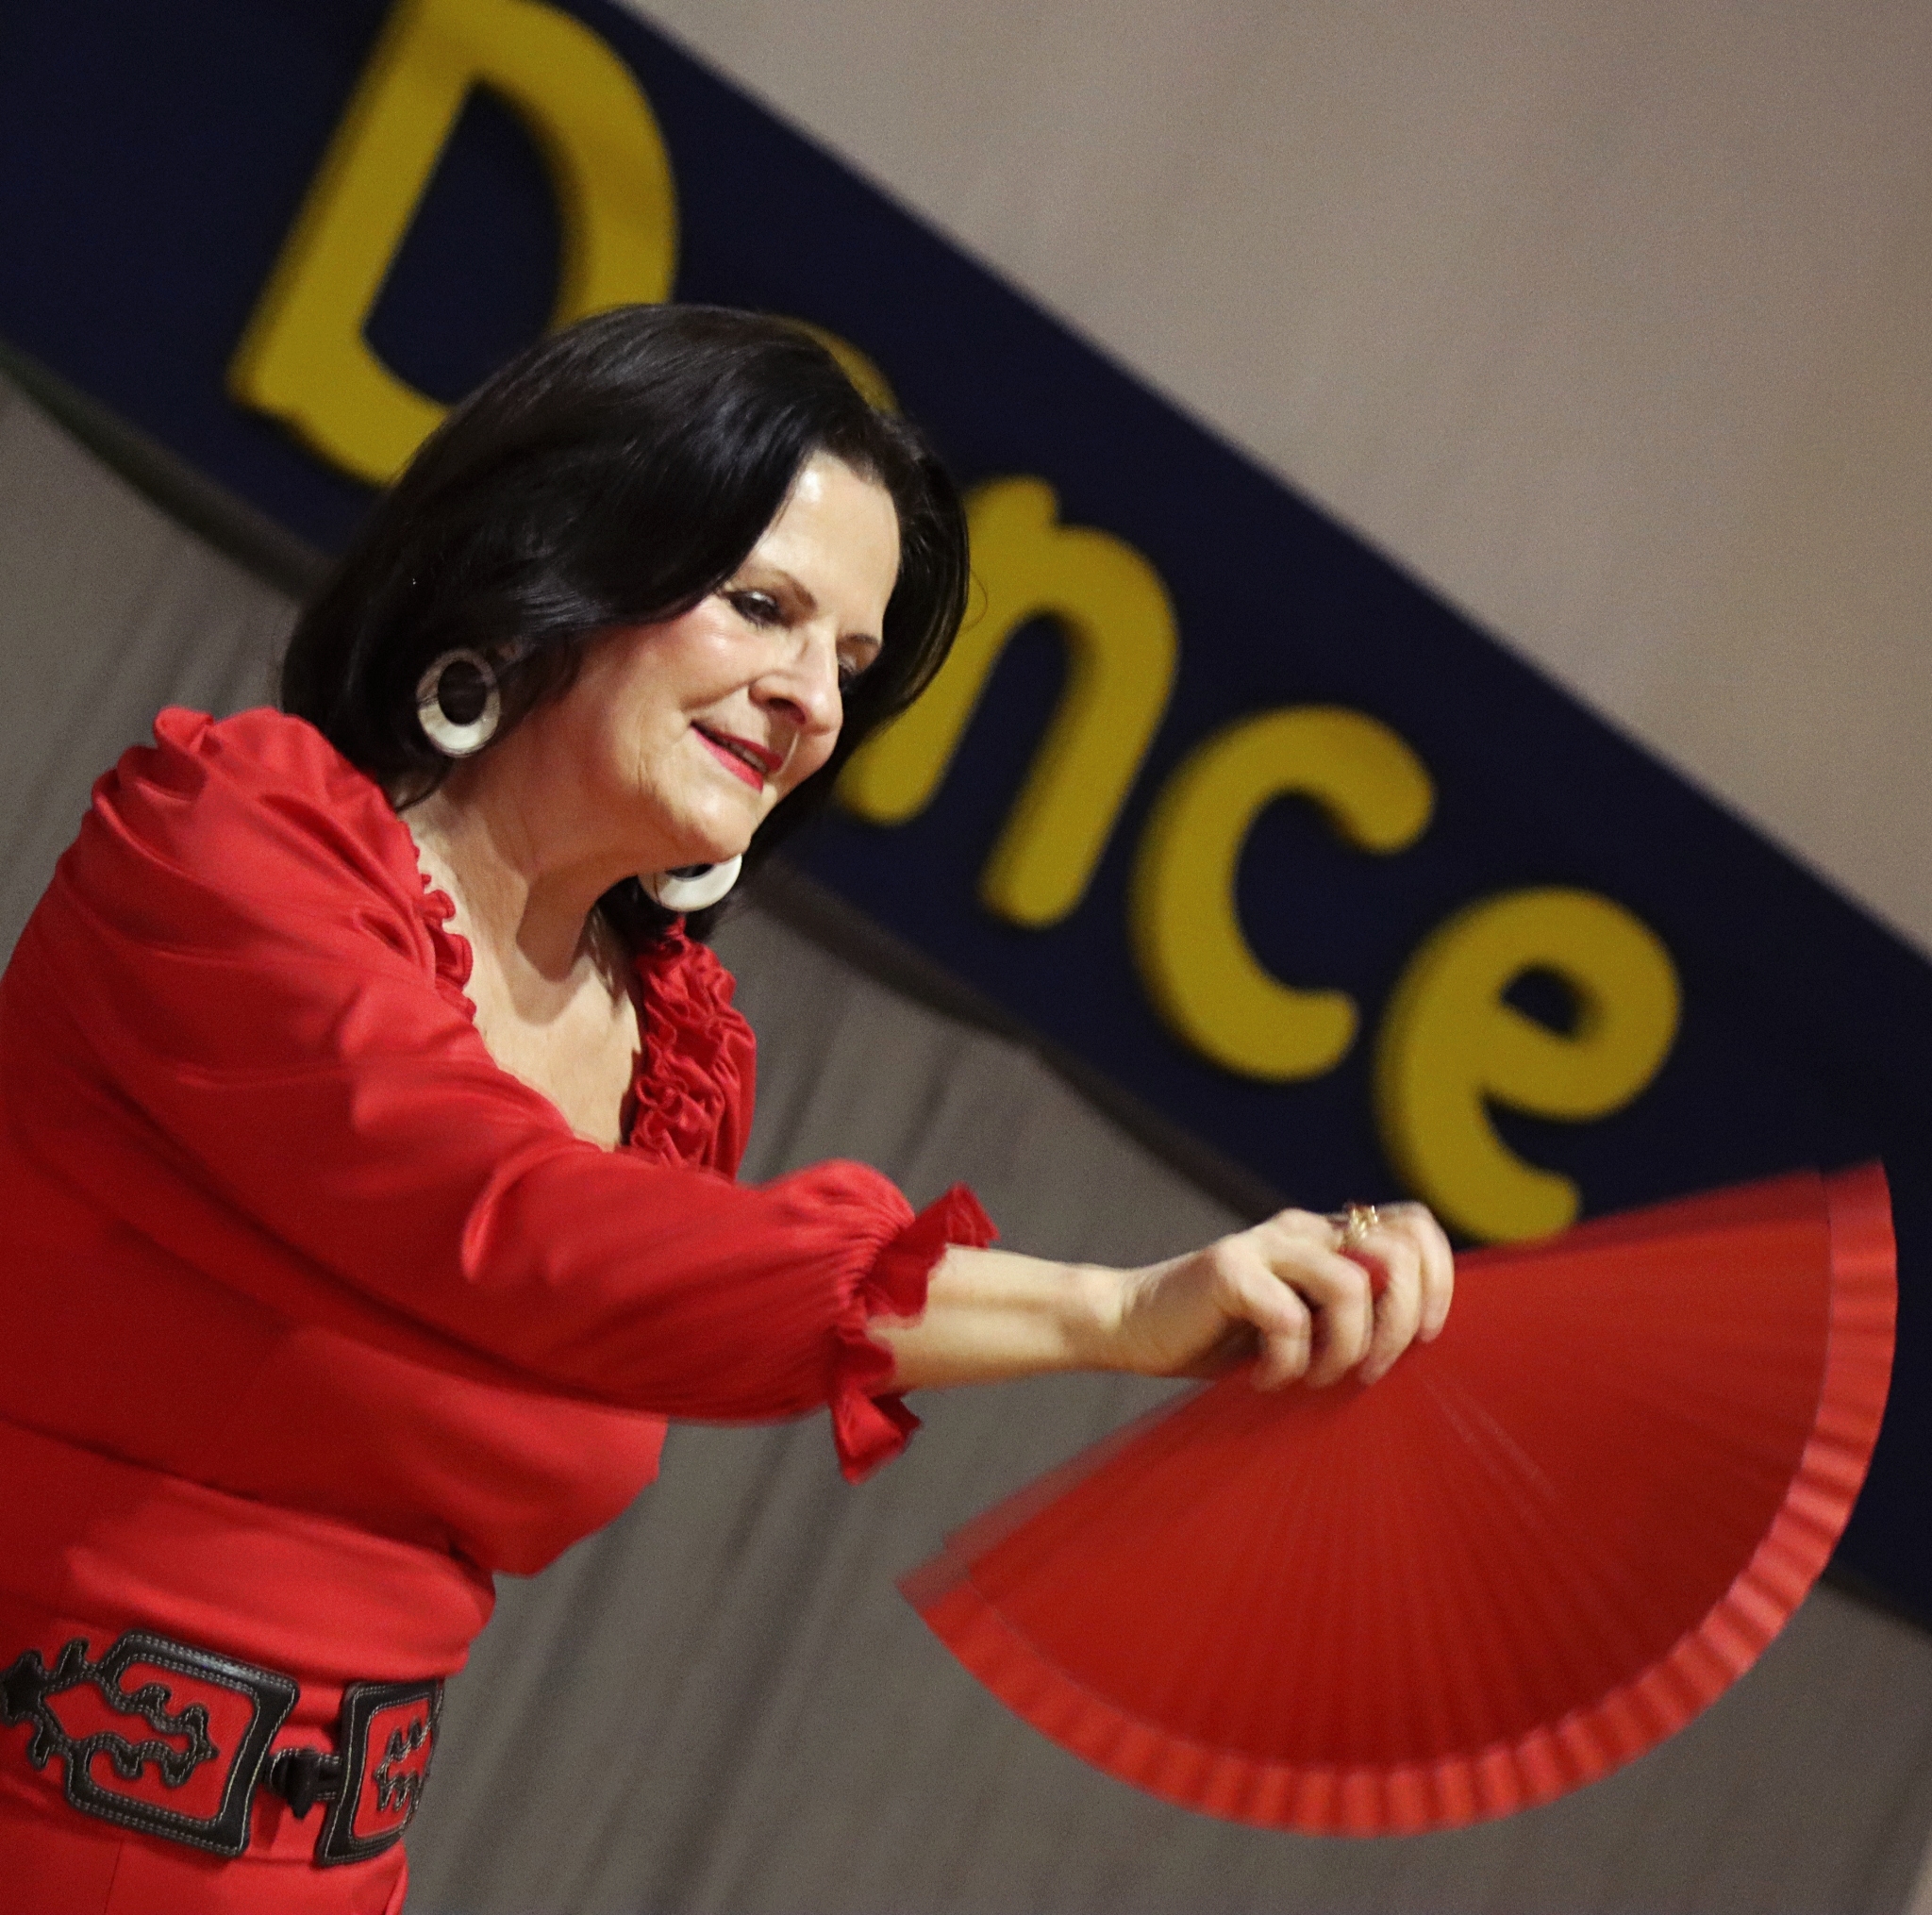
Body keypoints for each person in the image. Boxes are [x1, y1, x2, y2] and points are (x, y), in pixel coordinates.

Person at [0, 306, 1453, 1913]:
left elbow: (638, 1290)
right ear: (557, 554)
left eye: (851, 665)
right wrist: (1107, 1308)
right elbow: (512, 1224)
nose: (811, 700)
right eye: (763, 608)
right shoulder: (223, 846)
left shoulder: (674, 1060)